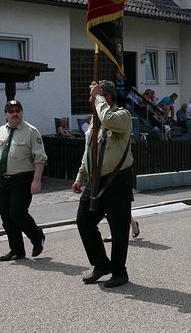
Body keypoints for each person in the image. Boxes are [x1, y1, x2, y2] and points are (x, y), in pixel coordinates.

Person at [72, 80, 133, 288]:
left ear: (106, 97)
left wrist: (99, 98)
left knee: (118, 228)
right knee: (84, 221)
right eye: (92, 96)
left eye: (94, 96)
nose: (90, 100)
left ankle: (119, 272)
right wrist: (81, 177)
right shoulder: (95, 122)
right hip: (95, 180)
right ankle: (101, 264)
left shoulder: (122, 116)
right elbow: (89, 151)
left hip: (117, 180)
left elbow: (109, 117)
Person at [0, 99, 47, 261]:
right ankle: (17, 250)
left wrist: (36, 180)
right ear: (6, 114)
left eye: (17, 111)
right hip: (3, 180)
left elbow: (40, 158)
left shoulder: (31, 131)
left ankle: (37, 236)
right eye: (11, 112)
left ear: (22, 113)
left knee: (17, 213)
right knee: (7, 218)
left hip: (23, 180)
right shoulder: (0, 131)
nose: (14, 114)